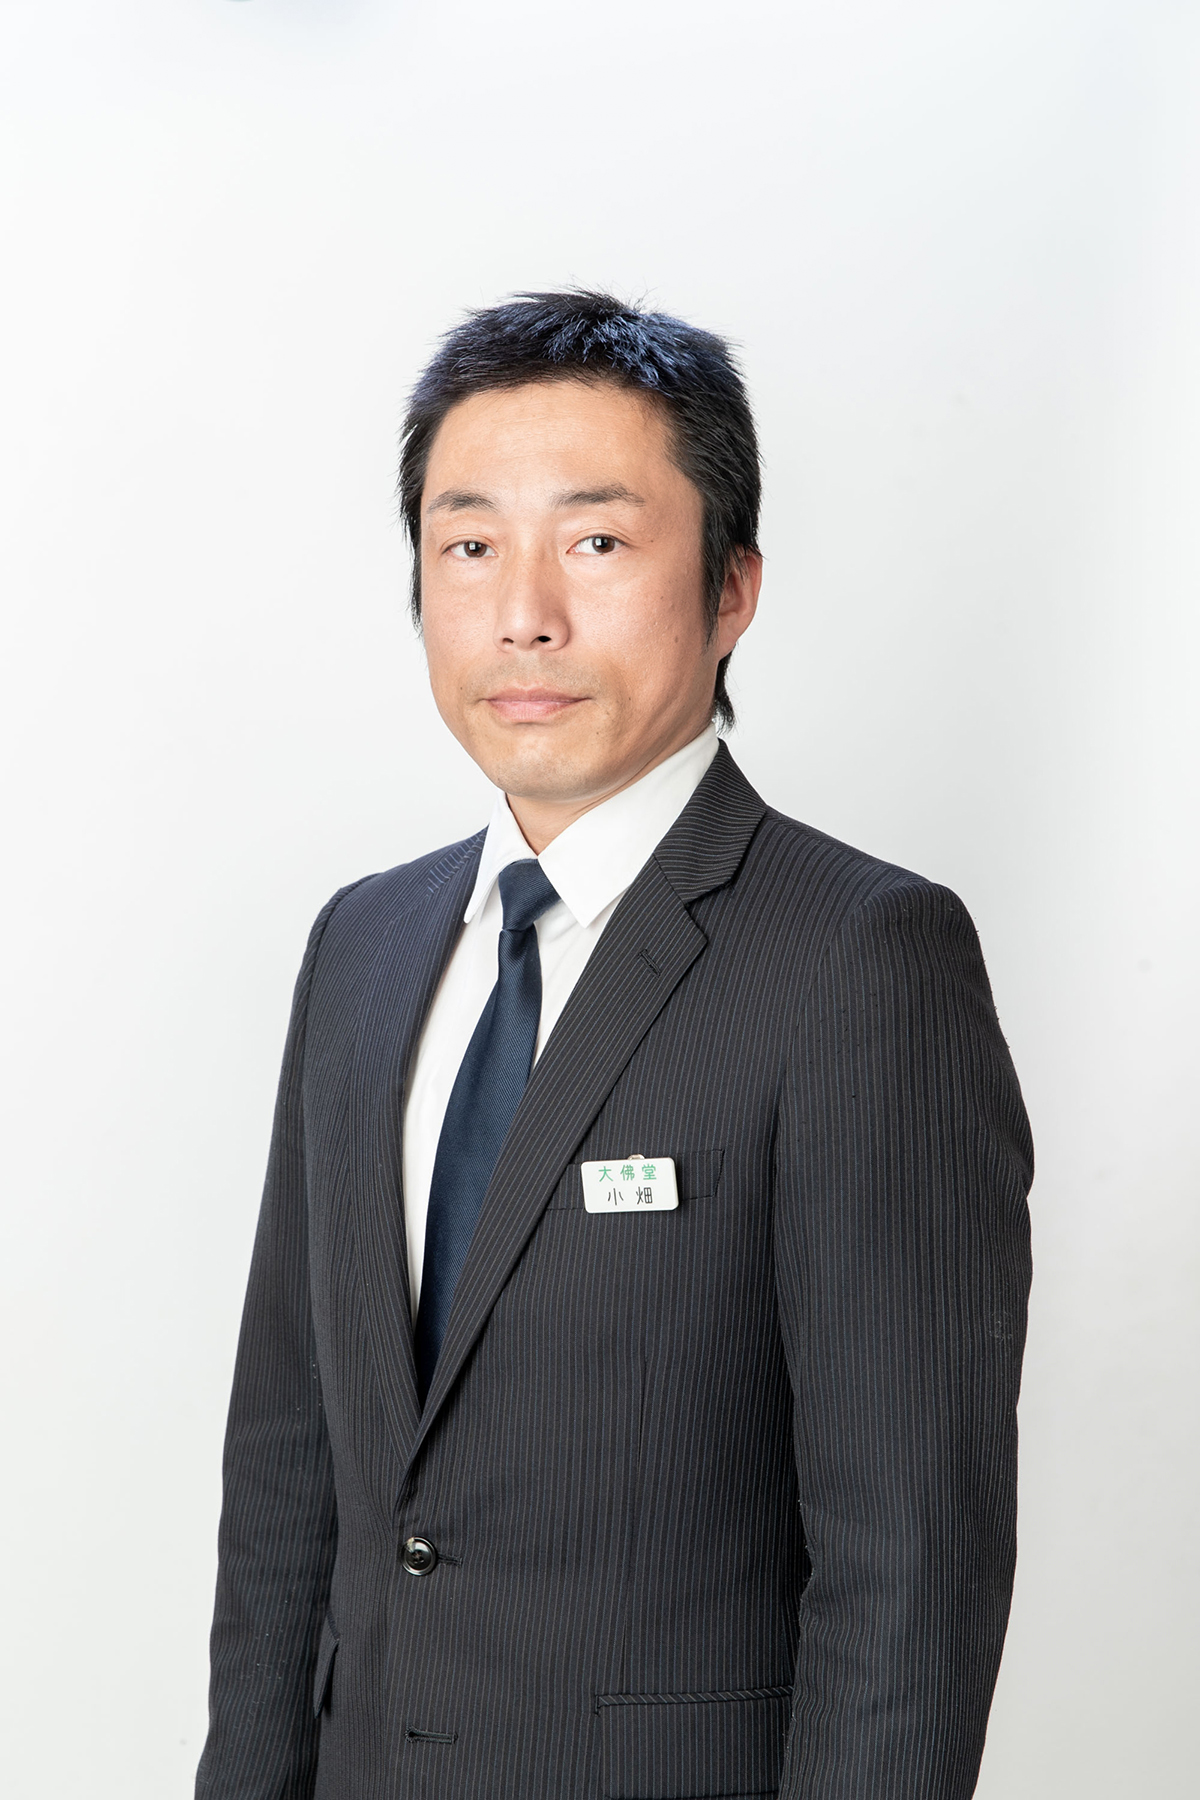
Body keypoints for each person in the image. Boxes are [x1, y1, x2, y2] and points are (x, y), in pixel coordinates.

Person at [196, 291, 1033, 1800]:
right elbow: (286, 1474)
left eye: (594, 541)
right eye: (468, 546)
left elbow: (911, 1572)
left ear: (732, 587)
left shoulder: (859, 959)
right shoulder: (362, 949)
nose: (524, 613)